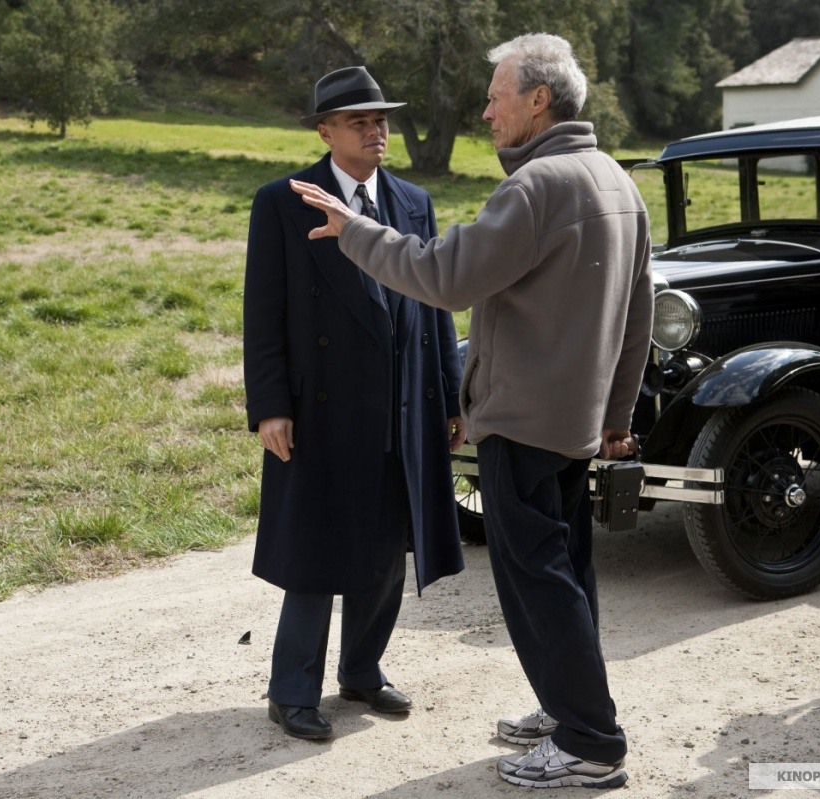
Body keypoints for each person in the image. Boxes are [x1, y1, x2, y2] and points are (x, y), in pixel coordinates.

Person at [290, 34, 652, 787]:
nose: (485, 112)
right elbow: (639, 313)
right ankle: (568, 707)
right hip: (576, 422)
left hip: (523, 421)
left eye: (495, 96)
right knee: (568, 571)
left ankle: (590, 740)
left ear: (538, 100)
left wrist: (354, 232)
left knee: (537, 582)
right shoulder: (615, 179)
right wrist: (615, 416)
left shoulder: (537, 187)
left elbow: (444, 277)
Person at [243, 66, 467, 741]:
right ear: (325, 131)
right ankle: (291, 691)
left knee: (386, 546)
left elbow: (434, 303)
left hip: (403, 402)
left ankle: (362, 671)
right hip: (320, 406)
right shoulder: (282, 202)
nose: (376, 131)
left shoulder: (413, 202)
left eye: (381, 120)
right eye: (359, 121)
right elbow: (264, 313)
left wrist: (449, 394)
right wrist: (270, 406)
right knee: (314, 549)